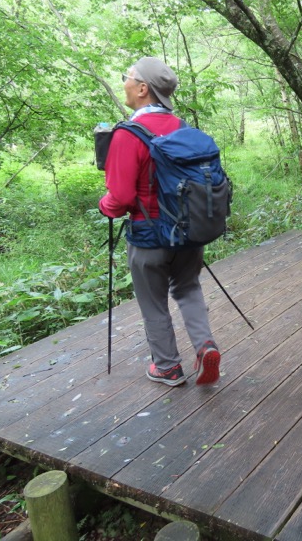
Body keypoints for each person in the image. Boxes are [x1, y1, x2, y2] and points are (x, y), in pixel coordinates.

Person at [99, 57, 221, 386]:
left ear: (142, 89)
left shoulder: (127, 134)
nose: (123, 81)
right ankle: (205, 345)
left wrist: (104, 204)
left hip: (148, 237)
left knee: (153, 303)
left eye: (128, 77)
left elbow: (121, 198)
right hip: (188, 232)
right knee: (188, 289)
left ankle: (167, 367)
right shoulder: (182, 128)